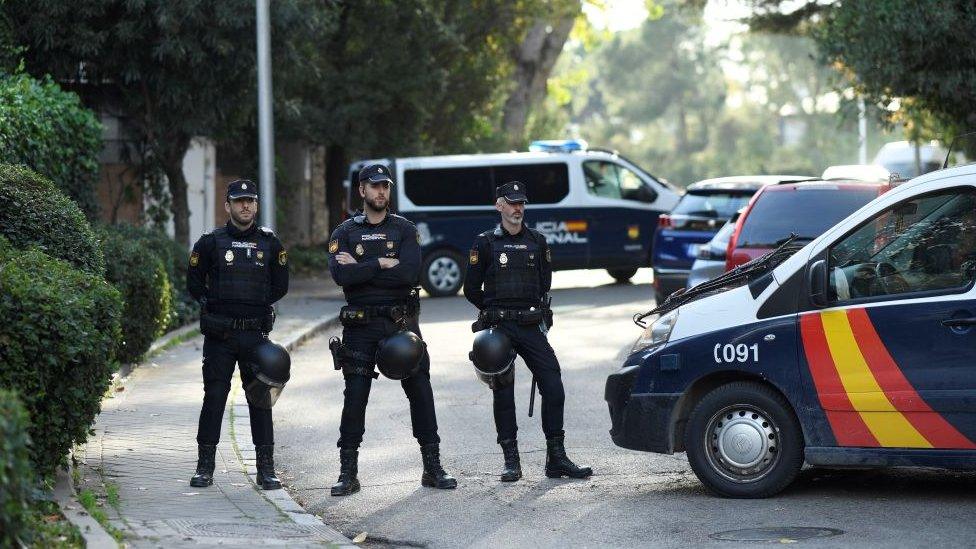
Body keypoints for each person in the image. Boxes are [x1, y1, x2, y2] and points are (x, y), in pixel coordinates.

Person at [326, 163, 456, 496]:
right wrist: (381, 263)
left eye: (385, 186)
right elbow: (341, 277)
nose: (381, 191)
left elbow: (409, 274)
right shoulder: (344, 233)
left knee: (421, 393)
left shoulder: (404, 229)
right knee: (355, 398)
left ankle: (433, 467)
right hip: (360, 327)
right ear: (362, 191)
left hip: (401, 323)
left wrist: (362, 269)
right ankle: (347, 473)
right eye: (374, 186)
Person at [463, 181, 592, 482]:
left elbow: (543, 284)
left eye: (522, 203)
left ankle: (556, 458)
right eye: (512, 203)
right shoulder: (484, 243)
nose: (518, 208)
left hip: (531, 326)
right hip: (500, 327)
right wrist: (494, 309)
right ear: (500, 206)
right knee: (503, 393)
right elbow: (471, 289)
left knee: (554, 386)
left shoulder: (537, 241)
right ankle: (511, 460)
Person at [187, 179, 289, 490]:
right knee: (214, 398)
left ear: (256, 205)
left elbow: (280, 286)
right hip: (220, 337)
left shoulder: (271, 244)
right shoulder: (209, 242)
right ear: (228, 206)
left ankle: (266, 470)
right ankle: (205, 467)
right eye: (238, 201)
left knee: (261, 401)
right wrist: (214, 305)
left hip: (255, 337)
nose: (245, 206)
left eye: (250, 200)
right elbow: (194, 282)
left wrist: (256, 304)